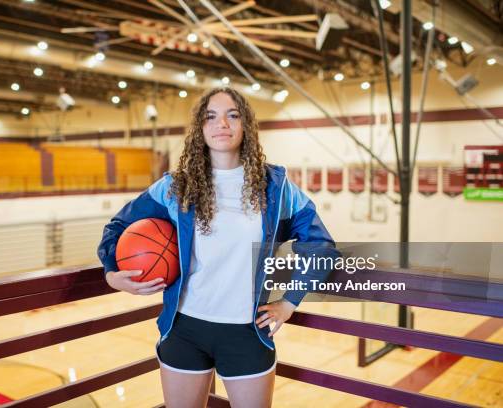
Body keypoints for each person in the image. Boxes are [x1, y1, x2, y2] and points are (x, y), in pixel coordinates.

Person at [98, 87, 336, 408]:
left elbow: (321, 245)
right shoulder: (174, 187)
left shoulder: (277, 188)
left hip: (246, 332)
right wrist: (112, 273)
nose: (221, 123)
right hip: (185, 327)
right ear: (200, 128)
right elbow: (117, 228)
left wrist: (290, 301)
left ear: (245, 126)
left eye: (232, 115)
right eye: (210, 116)